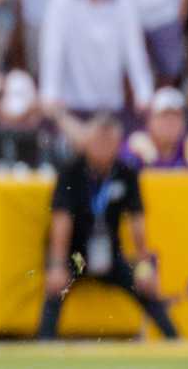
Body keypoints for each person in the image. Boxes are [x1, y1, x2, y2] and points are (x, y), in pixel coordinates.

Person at [38, 115, 179, 341]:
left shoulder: (126, 173)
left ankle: (175, 341)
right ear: (87, 142)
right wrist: (56, 264)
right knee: (55, 290)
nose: (102, 148)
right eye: (97, 141)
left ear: (117, 144)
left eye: (108, 142)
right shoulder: (71, 172)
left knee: (144, 287)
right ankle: (43, 344)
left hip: (109, 251)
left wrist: (144, 265)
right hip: (73, 252)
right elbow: (61, 220)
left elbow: (137, 222)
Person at [126, 87, 188, 170]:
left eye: (176, 116)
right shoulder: (135, 149)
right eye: (164, 116)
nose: (170, 122)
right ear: (150, 120)